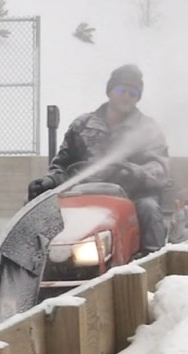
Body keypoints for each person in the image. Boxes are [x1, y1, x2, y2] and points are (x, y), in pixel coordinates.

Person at [27, 64, 171, 254]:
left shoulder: (147, 129)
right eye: (122, 89)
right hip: (82, 193)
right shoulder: (82, 125)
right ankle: (38, 258)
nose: (126, 96)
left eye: (133, 93)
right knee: (41, 204)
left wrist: (133, 172)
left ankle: (152, 259)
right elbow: (62, 165)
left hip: (131, 194)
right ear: (110, 91)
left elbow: (158, 167)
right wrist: (51, 180)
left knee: (149, 208)